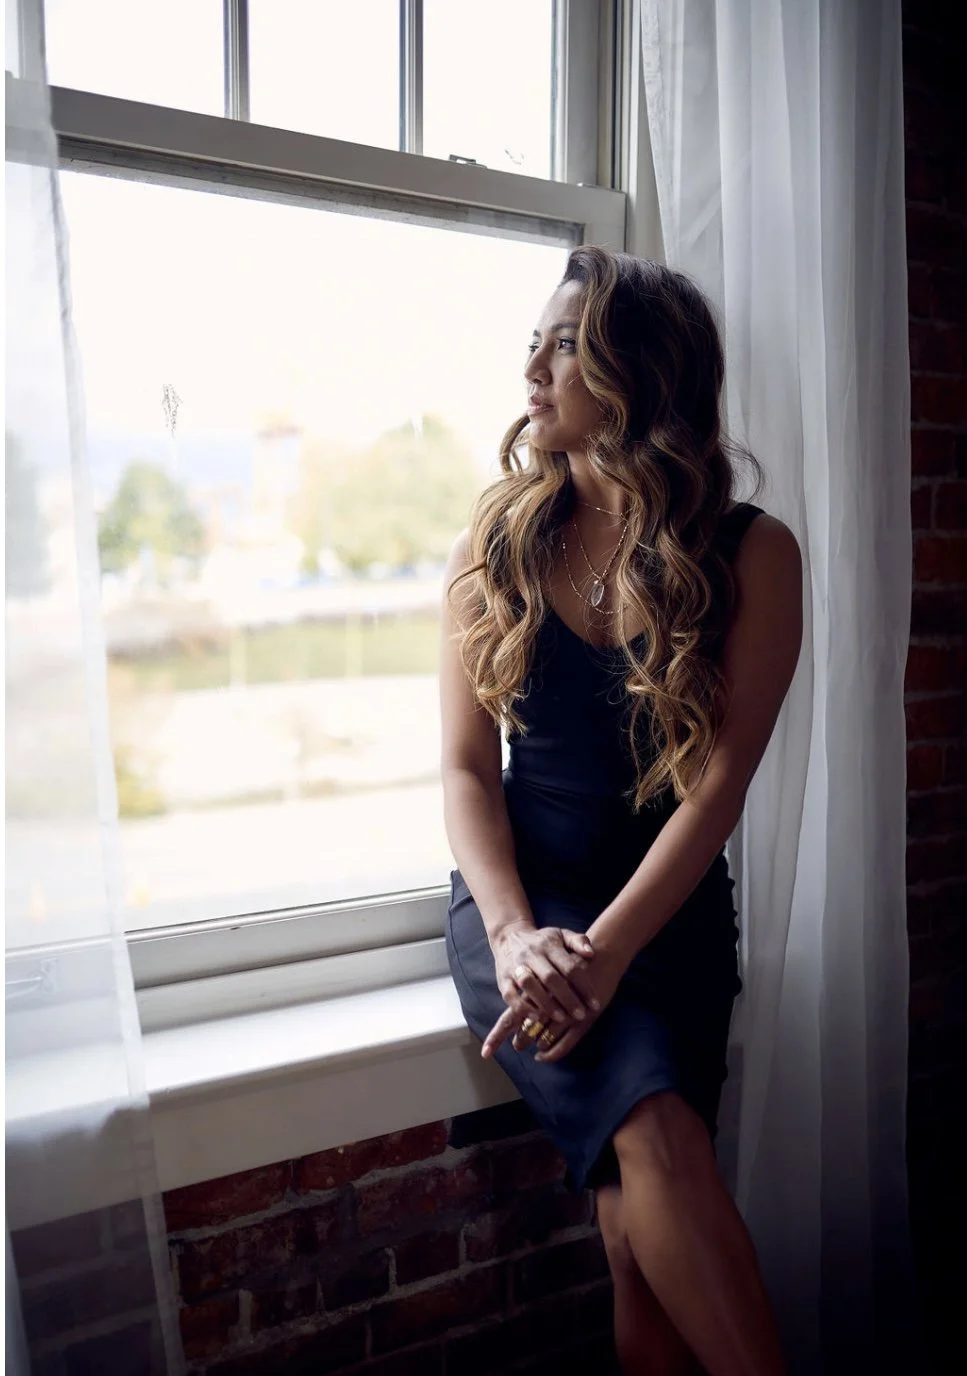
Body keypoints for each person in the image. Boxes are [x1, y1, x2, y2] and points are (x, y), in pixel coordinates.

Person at [440, 246, 802, 1376]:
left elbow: (719, 785)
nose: (533, 369)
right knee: (654, 1132)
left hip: (668, 918)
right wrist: (516, 937)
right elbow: (460, 768)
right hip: (522, 909)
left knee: (631, 1236)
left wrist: (609, 952)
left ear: (636, 371)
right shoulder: (493, 543)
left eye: (562, 344)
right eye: (534, 343)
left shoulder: (752, 554)